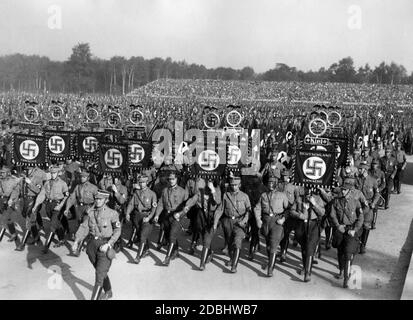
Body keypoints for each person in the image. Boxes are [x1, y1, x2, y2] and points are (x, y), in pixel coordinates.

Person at [71, 190, 121, 300]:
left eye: (100, 199)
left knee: (99, 275)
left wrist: (109, 244)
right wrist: (76, 241)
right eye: (96, 199)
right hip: (92, 247)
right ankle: (108, 291)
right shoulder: (91, 212)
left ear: (106, 200)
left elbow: (117, 231)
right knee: (100, 271)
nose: (97, 201)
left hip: (105, 246)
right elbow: (84, 227)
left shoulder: (112, 213)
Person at [330, 179, 364, 288]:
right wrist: (337, 225)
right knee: (340, 252)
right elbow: (332, 214)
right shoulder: (337, 201)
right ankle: (341, 270)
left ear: (349, 191)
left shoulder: (356, 202)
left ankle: (346, 278)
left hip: (351, 231)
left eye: (345, 190)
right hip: (340, 229)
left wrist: (355, 229)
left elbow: (360, 217)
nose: (343, 192)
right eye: (342, 190)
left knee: (348, 253)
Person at [213, 175, 251, 273]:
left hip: (240, 222)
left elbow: (248, 211)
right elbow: (220, 209)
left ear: (240, 185)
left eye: (236, 185)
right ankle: (231, 258)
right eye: (232, 185)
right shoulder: (226, 195)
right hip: (228, 221)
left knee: (237, 241)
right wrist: (215, 222)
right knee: (229, 242)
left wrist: (244, 222)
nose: (234, 187)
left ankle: (234, 266)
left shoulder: (244, 196)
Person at [253, 176, 289, 277]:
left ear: (276, 184)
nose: (271, 185)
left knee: (273, 244)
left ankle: (270, 269)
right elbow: (257, 208)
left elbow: (288, 209)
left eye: (273, 183)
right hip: (266, 221)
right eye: (269, 183)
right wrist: (258, 219)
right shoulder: (263, 195)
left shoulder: (282, 195)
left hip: (277, 222)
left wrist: (283, 219)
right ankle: (271, 260)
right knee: (268, 245)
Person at [184, 179, 221, 270]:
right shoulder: (201, 192)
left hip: (211, 218)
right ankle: (209, 253)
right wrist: (187, 206)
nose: (209, 183)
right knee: (204, 237)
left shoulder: (217, 191)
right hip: (201, 218)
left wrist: (213, 190)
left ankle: (202, 264)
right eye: (208, 181)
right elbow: (193, 199)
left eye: (211, 182)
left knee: (206, 240)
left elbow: (218, 202)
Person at [153, 171, 189, 266]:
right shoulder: (165, 190)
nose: (171, 181)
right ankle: (176, 251)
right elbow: (161, 203)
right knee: (169, 235)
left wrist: (180, 214)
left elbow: (186, 207)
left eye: (173, 179)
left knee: (172, 235)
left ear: (177, 179)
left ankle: (167, 258)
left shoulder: (182, 191)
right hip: (166, 215)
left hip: (177, 216)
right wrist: (157, 215)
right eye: (170, 179)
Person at [32, 166, 70, 253]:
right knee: (56, 223)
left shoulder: (62, 183)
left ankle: (46, 246)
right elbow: (42, 194)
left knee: (52, 224)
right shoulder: (47, 183)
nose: (53, 175)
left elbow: (66, 196)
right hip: (49, 205)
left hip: (57, 205)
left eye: (54, 173)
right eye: (51, 173)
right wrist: (36, 205)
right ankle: (62, 239)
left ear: (58, 173)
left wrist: (60, 205)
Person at [291, 187, 325, 282]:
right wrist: (300, 215)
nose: (308, 191)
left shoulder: (317, 199)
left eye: (310, 189)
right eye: (306, 188)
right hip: (301, 225)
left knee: (310, 248)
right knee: (304, 248)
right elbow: (292, 211)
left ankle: (307, 273)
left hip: (313, 225)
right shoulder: (299, 199)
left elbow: (322, 212)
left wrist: (314, 204)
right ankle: (305, 266)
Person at [11, 165, 48, 251]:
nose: (27, 168)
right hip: (24, 200)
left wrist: (30, 183)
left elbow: (39, 191)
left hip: (33, 200)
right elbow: (19, 189)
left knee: (29, 220)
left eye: (29, 167)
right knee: (29, 220)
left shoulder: (39, 175)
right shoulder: (23, 174)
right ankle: (36, 238)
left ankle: (22, 244)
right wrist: (14, 199)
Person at [125, 174, 157, 264]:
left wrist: (149, 217)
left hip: (146, 216)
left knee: (143, 235)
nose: (142, 184)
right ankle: (146, 250)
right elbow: (131, 204)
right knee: (140, 234)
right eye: (140, 182)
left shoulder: (152, 194)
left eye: (143, 182)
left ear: (147, 183)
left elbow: (154, 208)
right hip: (137, 216)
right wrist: (127, 213)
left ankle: (138, 257)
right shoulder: (136, 193)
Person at [64, 169, 98, 255]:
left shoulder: (93, 187)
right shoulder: (78, 187)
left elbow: (98, 200)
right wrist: (67, 208)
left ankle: (77, 249)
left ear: (88, 177)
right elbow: (72, 198)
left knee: (84, 226)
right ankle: (86, 241)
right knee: (79, 225)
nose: (82, 178)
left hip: (89, 208)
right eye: (81, 177)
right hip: (79, 208)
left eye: (84, 177)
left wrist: (92, 209)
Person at [355, 162, 379, 254]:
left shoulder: (373, 180)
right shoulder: (357, 180)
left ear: (365, 170)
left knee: (366, 225)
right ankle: (357, 243)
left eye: (360, 169)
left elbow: (377, 193)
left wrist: (373, 203)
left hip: (368, 206)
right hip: (359, 205)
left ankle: (363, 245)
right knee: (357, 224)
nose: (359, 170)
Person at [0, 166, 20, 244]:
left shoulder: (13, 181)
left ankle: (18, 244)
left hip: (10, 201)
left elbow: (16, 191)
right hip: (1, 200)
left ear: (8, 173)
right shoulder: (1, 180)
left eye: (3, 173)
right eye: (1, 172)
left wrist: (11, 199)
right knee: (8, 220)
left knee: (4, 219)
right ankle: (14, 234)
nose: (1, 174)